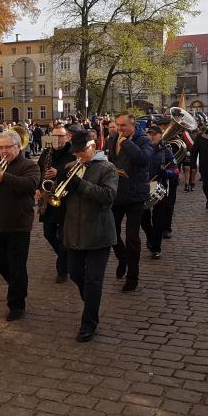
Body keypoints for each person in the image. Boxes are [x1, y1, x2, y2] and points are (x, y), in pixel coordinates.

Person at [0, 130, 40, 320]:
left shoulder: (29, 165)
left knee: (17, 266)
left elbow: (31, 184)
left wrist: (5, 177)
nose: (2, 151)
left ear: (18, 147)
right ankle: (18, 286)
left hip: (19, 224)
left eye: (7, 148)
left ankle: (16, 304)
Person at [59, 130, 117, 342]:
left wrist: (81, 185)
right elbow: (63, 197)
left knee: (93, 280)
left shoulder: (107, 168)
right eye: (75, 152)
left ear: (93, 147)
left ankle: (89, 323)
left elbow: (108, 197)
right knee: (75, 273)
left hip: (99, 233)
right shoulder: (69, 167)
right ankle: (91, 301)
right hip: (74, 231)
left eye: (82, 151)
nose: (78, 156)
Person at [106, 112, 153, 292]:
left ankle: (133, 276)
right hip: (117, 194)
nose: (119, 129)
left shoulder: (143, 140)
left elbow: (143, 159)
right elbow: (111, 161)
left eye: (123, 125)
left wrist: (126, 142)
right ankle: (123, 258)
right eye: (117, 125)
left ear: (133, 126)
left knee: (132, 237)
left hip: (135, 196)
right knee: (111, 231)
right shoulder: (112, 140)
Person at [36, 123, 75, 283]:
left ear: (67, 137)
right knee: (49, 234)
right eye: (55, 136)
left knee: (64, 236)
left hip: (66, 200)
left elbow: (77, 172)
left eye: (61, 136)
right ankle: (66, 259)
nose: (58, 139)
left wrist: (59, 172)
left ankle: (62, 269)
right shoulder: (47, 151)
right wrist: (38, 188)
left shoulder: (73, 152)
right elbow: (39, 171)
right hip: (49, 199)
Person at [140, 126, 179, 259]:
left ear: (160, 135)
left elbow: (175, 171)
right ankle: (151, 237)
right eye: (149, 134)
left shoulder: (166, 151)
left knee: (158, 221)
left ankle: (156, 248)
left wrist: (166, 172)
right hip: (143, 189)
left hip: (160, 190)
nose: (151, 137)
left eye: (154, 134)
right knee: (143, 220)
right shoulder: (142, 149)